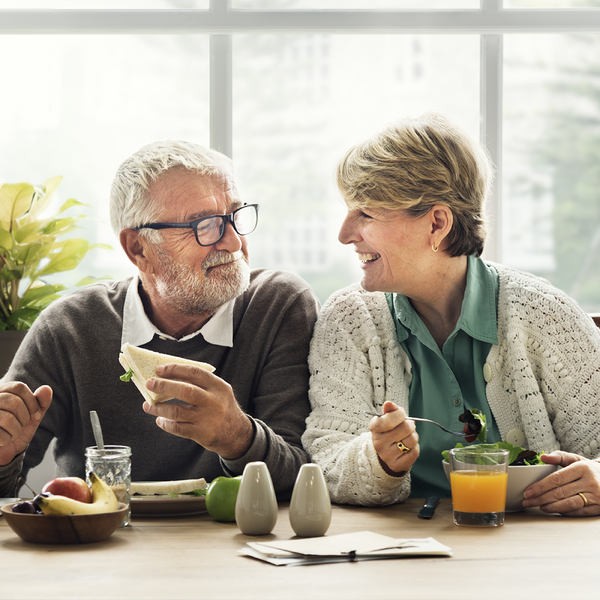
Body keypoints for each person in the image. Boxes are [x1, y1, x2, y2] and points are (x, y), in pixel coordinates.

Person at [302, 113, 600, 515]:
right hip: (396, 555)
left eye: (366, 214)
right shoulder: (349, 319)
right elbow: (326, 459)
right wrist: (379, 461)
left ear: (437, 223)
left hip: (531, 555)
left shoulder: (547, 316)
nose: (344, 234)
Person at [0, 140, 319, 498]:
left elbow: (304, 480)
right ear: (139, 249)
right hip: (99, 543)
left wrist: (237, 436)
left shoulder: (279, 306)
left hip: (235, 546)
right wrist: (3, 459)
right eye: (205, 225)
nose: (232, 242)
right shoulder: (69, 327)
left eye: (235, 216)